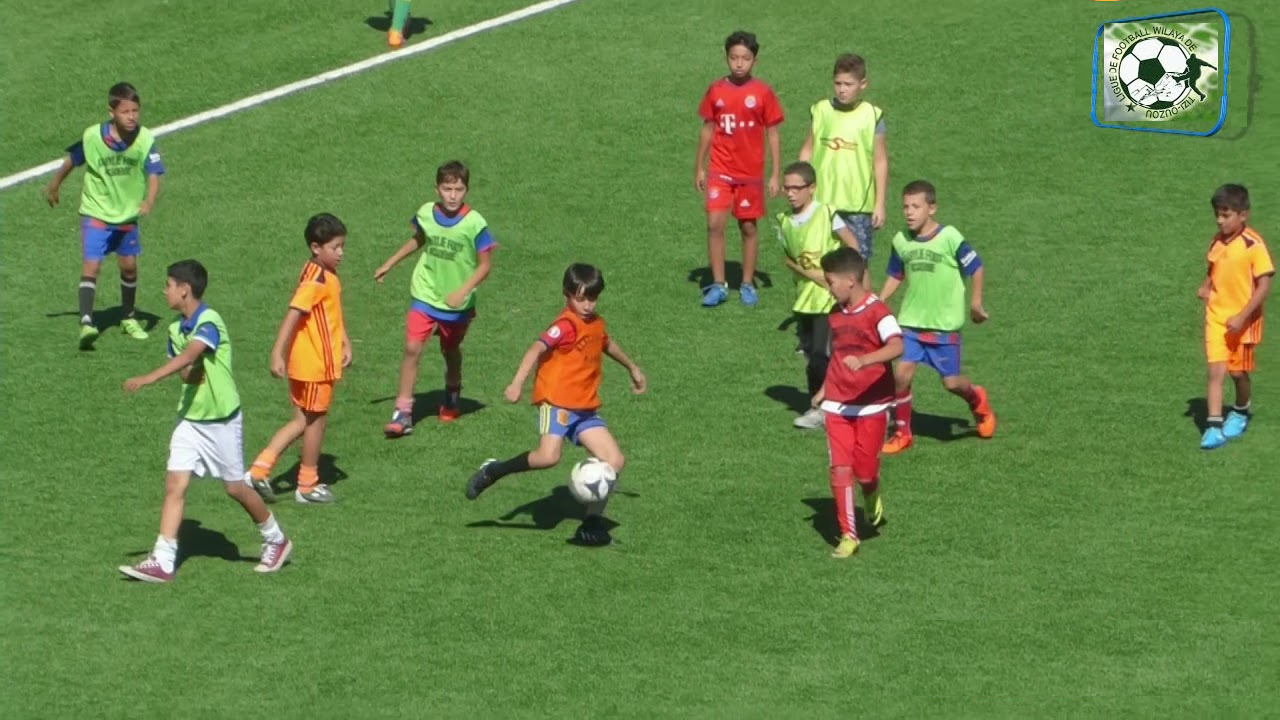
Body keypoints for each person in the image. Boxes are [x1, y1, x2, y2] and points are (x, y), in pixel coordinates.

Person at [118, 260, 291, 583]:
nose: (164, 291)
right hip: (190, 420)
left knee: (235, 488)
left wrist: (148, 378)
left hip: (221, 421)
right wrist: (191, 367)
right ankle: (162, 560)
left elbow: (190, 355)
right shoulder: (174, 329)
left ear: (184, 290)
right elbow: (186, 371)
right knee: (175, 484)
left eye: (169, 285)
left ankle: (275, 539)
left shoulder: (210, 321)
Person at [464, 264, 647, 547]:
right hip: (558, 404)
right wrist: (516, 383)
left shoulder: (596, 324)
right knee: (548, 457)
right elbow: (536, 349)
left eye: (592, 298)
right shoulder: (565, 326)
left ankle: (591, 524)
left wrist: (632, 367)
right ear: (566, 295)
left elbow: (606, 344)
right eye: (580, 298)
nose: (587, 305)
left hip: (585, 408)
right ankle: (495, 470)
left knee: (614, 461)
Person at [375, 161, 496, 437]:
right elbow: (420, 238)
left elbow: (485, 266)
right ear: (437, 189)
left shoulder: (475, 223)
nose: (452, 195)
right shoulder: (426, 213)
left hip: (456, 305)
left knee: (450, 350)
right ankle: (402, 413)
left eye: (458, 189)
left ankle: (452, 393)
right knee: (411, 348)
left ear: (466, 190)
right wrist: (390, 263)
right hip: (425, 293)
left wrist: (462, 291)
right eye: (447, 189)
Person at [45, 82, 165, 350]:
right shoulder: (92, 137)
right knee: (92, 266)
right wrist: (54, 184)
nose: (132, 117)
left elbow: (154, 173)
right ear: (111, 112)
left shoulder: (145, 139)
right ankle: (86, 322)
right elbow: (73, 159)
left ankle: (128, 317)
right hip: (96, 213)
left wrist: (149, 201)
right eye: (125, 111)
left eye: (135, 111)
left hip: (126, 216)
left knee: (129, 267)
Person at [880, 181, 995, 454]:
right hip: (911, 323)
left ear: (932, 208)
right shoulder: (901, 240)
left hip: (944, 327)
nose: (909, 212)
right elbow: (896, 274)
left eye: (916, 206)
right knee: (901, 375)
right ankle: (902, 433)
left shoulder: (949, 237)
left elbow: (976, 267)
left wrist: (975, 303)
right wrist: (880, 301)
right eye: (905, 207)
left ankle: (977, 399)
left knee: (951, 383)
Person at [247, 214, 351, 504]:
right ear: (316, 248)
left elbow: (330, 312)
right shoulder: (317, 280)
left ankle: (262, 471)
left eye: (342, 246)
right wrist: (276, 352)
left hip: (304, 362)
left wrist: (344, 340)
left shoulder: (317, 271)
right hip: (316, 364)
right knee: (313, 422)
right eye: (335, 247)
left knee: (302, 419)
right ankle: (303, 484)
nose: (341, 253)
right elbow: (294, 313)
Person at [810, 247, 901, 558]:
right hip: (837, 404)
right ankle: (849, 535)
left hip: (871, 404)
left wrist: (865, 361)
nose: (829, 289)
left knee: (865, 472)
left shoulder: (878, 312)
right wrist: (825, 389)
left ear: (850, 280)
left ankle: (871, 492)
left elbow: (897, 346)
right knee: (840, 469)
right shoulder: (835, 314)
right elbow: (838, 354)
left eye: (831, 282)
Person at [694, 30, 784, 307]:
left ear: (755, 60)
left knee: (748, 227)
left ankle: (746, 283)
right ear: (727, 58)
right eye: (734, 57)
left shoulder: (762, 93)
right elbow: (708, 129)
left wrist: (775, 173)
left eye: (745, 58)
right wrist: (699, 167)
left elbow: (772, 134)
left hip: (750, 174)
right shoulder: (716, 90)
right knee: (714, 224)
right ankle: (719, 284)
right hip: (720, 169)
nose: (739, 63)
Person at [775, 161, 863, 430]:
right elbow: (790, 260)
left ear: (811, 188)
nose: (790, 194)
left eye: (796, 188)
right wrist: (812, 275)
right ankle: (829, 402)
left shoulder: (826, 213)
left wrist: (842, 281)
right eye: (786, 188)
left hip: (829, 298)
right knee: (811, 355)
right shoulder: (784, 221)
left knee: (820, 354)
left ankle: (822, 409)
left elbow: (853, 245)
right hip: (805, 298)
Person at [798, 53, 888, 282]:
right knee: (823, 260)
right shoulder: (821, 111)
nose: (842, 89)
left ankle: (864, 305)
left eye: (848, 84)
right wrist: (800, 187)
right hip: (822, 203)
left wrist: (879, 203)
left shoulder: (872, 116)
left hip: (858, 206)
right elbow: (807, 150)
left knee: (859, 263)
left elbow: (880, 161)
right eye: (838, 83)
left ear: (862, 84)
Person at [1198, 183, 1273, 449]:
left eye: (1226, 215)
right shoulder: (1217, 240)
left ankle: (1241, 411)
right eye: (1217, 215)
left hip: (1243, 322)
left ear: (1243, 215)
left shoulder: (1254, 245)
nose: (1220, 221)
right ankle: (1214, 427)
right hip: (1216, 317)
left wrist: (1242, 316)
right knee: (1215, 370)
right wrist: (1206, 286)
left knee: (1237, 372)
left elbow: (1264, 285)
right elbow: (1214, 267)